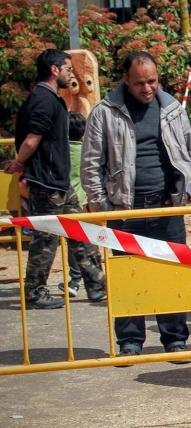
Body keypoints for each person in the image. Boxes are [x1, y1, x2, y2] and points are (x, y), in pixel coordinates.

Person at [81, 51, 191, 357]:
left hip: (167, 206)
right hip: (124, 210)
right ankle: (130, 342)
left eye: (152, 81)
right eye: (139, 83)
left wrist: (187, 190)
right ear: (125, 80)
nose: (147, 88)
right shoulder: (104, 112)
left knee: (171, 273)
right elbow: (91, 164)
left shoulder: (172, 108)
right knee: (127, 277)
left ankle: (175, 338)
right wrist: (99, 205)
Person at [4, 49, 103, 310]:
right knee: (45, 239)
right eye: (68, 69)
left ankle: (97, 285)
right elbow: (32, 139)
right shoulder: (43, 100)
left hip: (59, 182)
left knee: (80, 232)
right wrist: (20, 163)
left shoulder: (49, 98)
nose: (72, 74)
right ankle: (35, 292)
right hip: (47, 183)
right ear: (54, 70)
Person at [59, 112, 105, 301]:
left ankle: (74, 280)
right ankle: (83, 281)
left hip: (61, 202)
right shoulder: (86, 152)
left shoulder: (60, 152)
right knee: (84, 245)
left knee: (73, 245)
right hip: (83, 205)